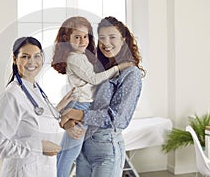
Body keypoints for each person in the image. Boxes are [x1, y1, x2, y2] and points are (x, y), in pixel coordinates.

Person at [59, 16, 146, 177]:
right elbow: (84, 101)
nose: (106, 43)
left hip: (106, 151)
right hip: (83, 149)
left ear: (124, 39)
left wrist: (76, 114)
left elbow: (117, 119)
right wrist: (69, 122)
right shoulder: (97, 68)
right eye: (102, 38)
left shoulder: (130, 73)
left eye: (112, 37)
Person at [0, 36, 74, 177]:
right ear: (14, 58)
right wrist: (39, 147)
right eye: (25, 56)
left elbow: (33, 119)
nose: (32, 62)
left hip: (44, 169)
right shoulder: (11, 96)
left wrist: (57, 109)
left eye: (37, 56)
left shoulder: (34, 89)